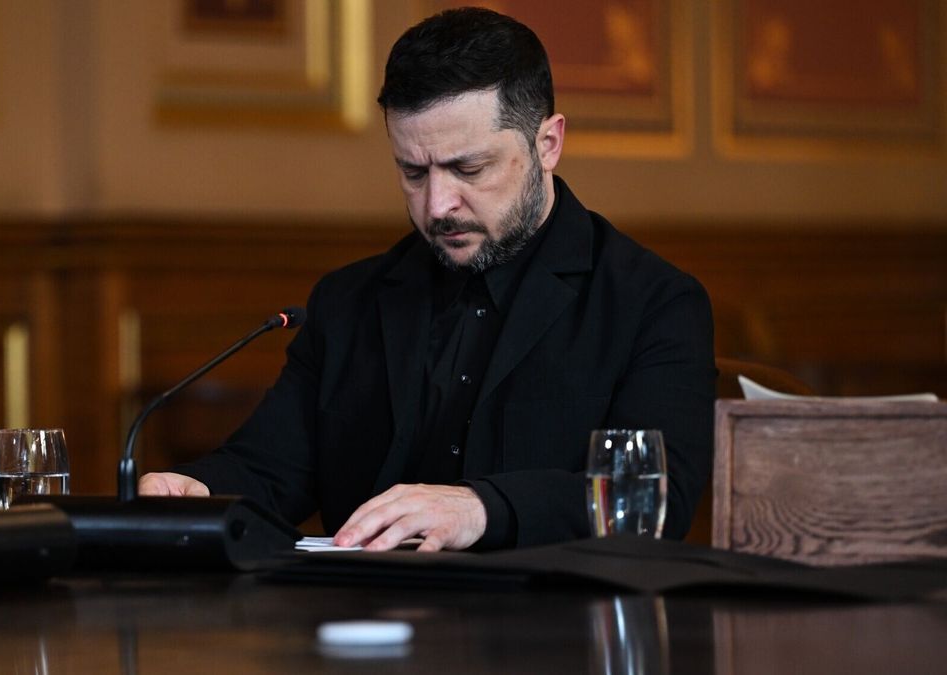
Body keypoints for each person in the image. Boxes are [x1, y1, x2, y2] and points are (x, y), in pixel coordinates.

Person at [140, 7, 715, 552]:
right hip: (366, 636)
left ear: (548, 143)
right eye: (413, 172)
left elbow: (657, 502)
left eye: (469, 169)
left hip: (554, 639)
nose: (438, 205)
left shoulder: (654, 303)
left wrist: (480, 509)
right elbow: (269, 469)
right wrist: (197, 491)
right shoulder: (347, 303)